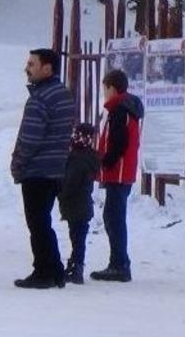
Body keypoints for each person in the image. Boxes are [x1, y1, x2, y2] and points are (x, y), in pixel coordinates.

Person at [11, 48, 75, 289]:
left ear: (47, 68)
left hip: (37, 169)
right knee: (43, 220)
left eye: (32, 64)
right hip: (56, 167)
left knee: (37, 223)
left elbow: (30, 138)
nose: (27, 69)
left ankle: (44, 271)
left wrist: (18, 163)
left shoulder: (39, 98)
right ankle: (55, 269)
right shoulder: (64, 94)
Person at [91, 69, 144, 282]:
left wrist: (105, 162)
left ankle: (119, 265)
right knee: (113, 216)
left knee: (113, 217)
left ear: (112, 88)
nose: (104, 93)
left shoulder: (120, 110)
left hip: (118, 171)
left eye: (105, 89)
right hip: (122, 171)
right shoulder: (126, 108)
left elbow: (119, 142)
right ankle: (120, 262)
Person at [57, 123, 100, 284]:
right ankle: (76, 264)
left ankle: (77, 267)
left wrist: (60, 192)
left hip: (75, 204)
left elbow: (70, 183)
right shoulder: (90, 157)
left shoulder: (76, 159)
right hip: (83, 204)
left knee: (77, 237)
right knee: (78, 237)